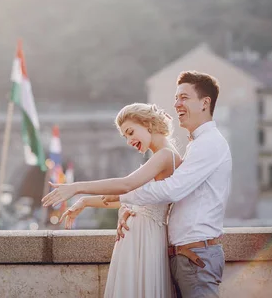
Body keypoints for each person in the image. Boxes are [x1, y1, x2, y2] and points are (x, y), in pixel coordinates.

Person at [43, 71, 232, 298]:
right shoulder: (193, 147)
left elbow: (148, 189)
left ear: (205, 102)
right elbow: (161, 198)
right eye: (176, 98)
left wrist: (79, 188)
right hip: (180, 253)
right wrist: (115, 205)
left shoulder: (202, 146)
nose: (176, 104)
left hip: (192, 254)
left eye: (184, 97)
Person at [43, 102, 182, 298]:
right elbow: (129, 197)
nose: (129, 140)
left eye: (131, 132)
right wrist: (85, 201)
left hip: (146, 239)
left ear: (147, 124)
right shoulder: (160, 156)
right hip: (139, 238)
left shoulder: (166, 155)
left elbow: (125, 185)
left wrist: (76, 187)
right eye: (125, 136)